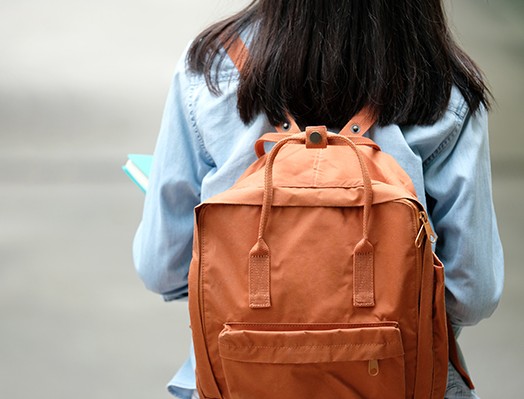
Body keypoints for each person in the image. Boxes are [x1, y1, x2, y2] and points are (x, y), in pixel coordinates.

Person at [133, 1, 504, 398]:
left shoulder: (209, 69)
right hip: (397, 378)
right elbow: (472, 292)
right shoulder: (444, 83)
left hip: (240, 378)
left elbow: (162, 268)